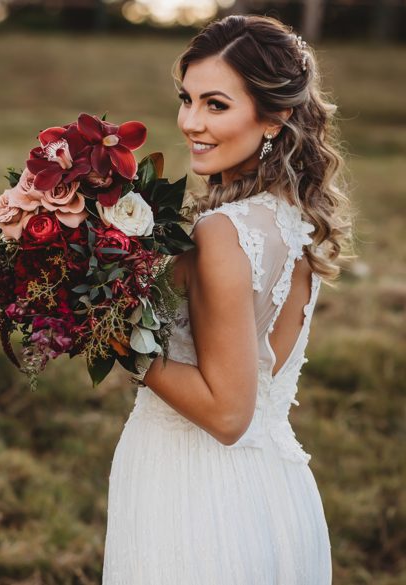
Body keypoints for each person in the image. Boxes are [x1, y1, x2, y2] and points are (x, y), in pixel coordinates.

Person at [102, 14, 354, 585]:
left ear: (275, 116)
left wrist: (113, 332)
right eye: (187, 99)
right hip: (274, 493)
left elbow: (227, 413)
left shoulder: (221, 232)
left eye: (216, 104)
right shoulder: (291, 219)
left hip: (198, 499)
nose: (191, 122)